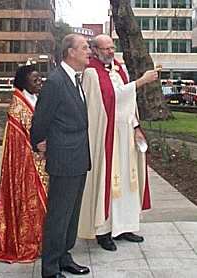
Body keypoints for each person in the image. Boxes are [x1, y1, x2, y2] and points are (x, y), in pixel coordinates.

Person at [78, 34, 159, 251]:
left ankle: (124, 226)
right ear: (95, 50)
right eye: (105, 49)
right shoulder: (91, 73)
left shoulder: (120, 69)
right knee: (108, 180)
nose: (110, 52)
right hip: (107, 135)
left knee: (126, 180)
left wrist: (135, 127)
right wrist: (140, 81)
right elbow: (109, 99)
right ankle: (103, 231)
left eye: (112, 47)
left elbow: (128, 102)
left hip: (125, 133)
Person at [30, 34, 92, 278]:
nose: (89, 51)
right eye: (85, 47)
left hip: (78, 157)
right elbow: (41, 119)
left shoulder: (75, 79)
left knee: (71, 214)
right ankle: (50, 268)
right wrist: (39, 143)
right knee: (58, 215)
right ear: (70, 52)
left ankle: (64, 256)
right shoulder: (56, 81)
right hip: (64, 159)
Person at [0, 65, 48, 263]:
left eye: (40, 78)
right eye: (35, 80)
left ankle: (42, 241)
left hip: (39, 162)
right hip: (27, 166)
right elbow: (20, 143)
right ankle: (27, 242)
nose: (39, 82)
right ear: (24, 82)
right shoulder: (18, 107)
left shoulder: (33, 99)